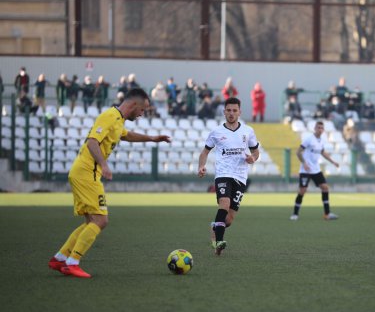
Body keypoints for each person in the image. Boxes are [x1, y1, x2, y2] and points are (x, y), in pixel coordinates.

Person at [47, 88, 172, 278]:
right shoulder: (109, 116)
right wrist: (104, 164)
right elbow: (92, 142)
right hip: (87, 172)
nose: (142, 114)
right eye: (142, 110)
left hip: (85, 172)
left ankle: (60, 258)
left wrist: (153, 138)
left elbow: (127, 135)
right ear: (134, 105)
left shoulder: (118, 119)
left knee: (91, 221)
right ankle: (72, 262)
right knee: (101, 220)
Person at [197, 97, 260, 256]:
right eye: (228, 110)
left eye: (234, 110)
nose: (231, 113)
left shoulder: (248, 131)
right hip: (223, 175)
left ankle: (215, 227)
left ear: (240, 112)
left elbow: (255, 151)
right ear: (224, 111)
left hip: (240, 176)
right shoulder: (217, 132)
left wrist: (253, 158)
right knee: (223, 205)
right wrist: (201, 166)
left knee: (229, 219)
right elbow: (205, 152)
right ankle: (218, 242)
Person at [290, 121, 340, 221]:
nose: (320, 129)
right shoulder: (309, 139)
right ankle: (295, 214)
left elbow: (322, 152)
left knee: (325, 188)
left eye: (322, 128)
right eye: (318, 127)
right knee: (302, 191)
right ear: (315, 128)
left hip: (316, 170)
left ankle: (327, 214)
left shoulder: (321, 140)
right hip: (306, 170)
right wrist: (304, 163)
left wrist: (333, 162)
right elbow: (298, 152)